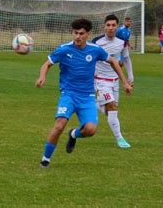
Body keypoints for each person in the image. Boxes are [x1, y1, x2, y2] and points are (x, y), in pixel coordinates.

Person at [37, 18, 133, 168]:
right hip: (68, 95)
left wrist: (125, 82)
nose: (77, 37)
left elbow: (113, 61)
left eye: (81, 34)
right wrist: (42, 77)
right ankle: (45, 159)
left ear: (88, 34)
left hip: (87, 97)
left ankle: (74, 134)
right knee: (59, 125)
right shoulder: (64, 49)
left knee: (90, 130)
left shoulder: (95, 50)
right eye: (75, 33)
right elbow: (47, 64)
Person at [93, 14, 135, 149]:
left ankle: (96, 106)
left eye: (113, 25)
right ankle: (120, 138)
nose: (111, 28)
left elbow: (126, 59)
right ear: (104, 26)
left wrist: (130, 78)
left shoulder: (121, 42)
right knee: (112, 107)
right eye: (108, 25)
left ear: (117, 27)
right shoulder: (96, 42)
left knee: (111, 111)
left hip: (115, 81)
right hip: (100, 81)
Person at [115, 17, 135, 84]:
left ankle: (130, 78)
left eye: (130, 21)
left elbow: (127, 40)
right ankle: (116, 77)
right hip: (118, 48)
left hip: (124, 47)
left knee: (127, 59)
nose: (129, 23)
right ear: (124, 22)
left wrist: (130, 45)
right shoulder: (120, 30)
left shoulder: (129, 31)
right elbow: (114, 38)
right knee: (119, 63)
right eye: (127, 21)